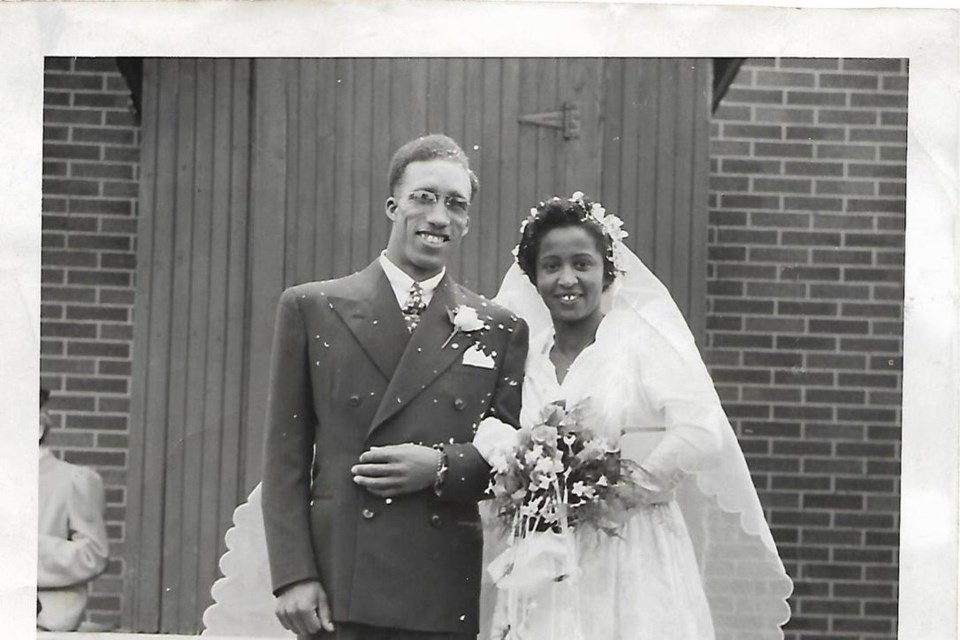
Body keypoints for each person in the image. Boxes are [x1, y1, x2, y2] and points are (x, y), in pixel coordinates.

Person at [204, 134, 529, 640]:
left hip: (440, 583)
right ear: (392, 205)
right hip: (341, 580)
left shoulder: (499, 327)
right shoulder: (313, 308)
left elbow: (507, 460)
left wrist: (440, 467)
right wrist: (293, 577)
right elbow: (285, 457)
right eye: (424, 197)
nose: (439, 216)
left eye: (455, 204)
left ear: (466, 222)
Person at [476, 193, 793, 639]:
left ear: (607, 271)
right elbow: (493, 427)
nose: (567, 279)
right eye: (552, 266)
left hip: (630, 549)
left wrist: (620, 488)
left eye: (582, 264)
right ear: (534, 276)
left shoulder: (637, 341)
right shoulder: (526, 355)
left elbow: (700, 429)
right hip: (542, 557)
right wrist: (521, 467)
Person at [37, 387, 110, 631]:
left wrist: (25, 551)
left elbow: (93, 554)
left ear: (37, 429)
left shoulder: (72, 481)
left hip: (43, 624)